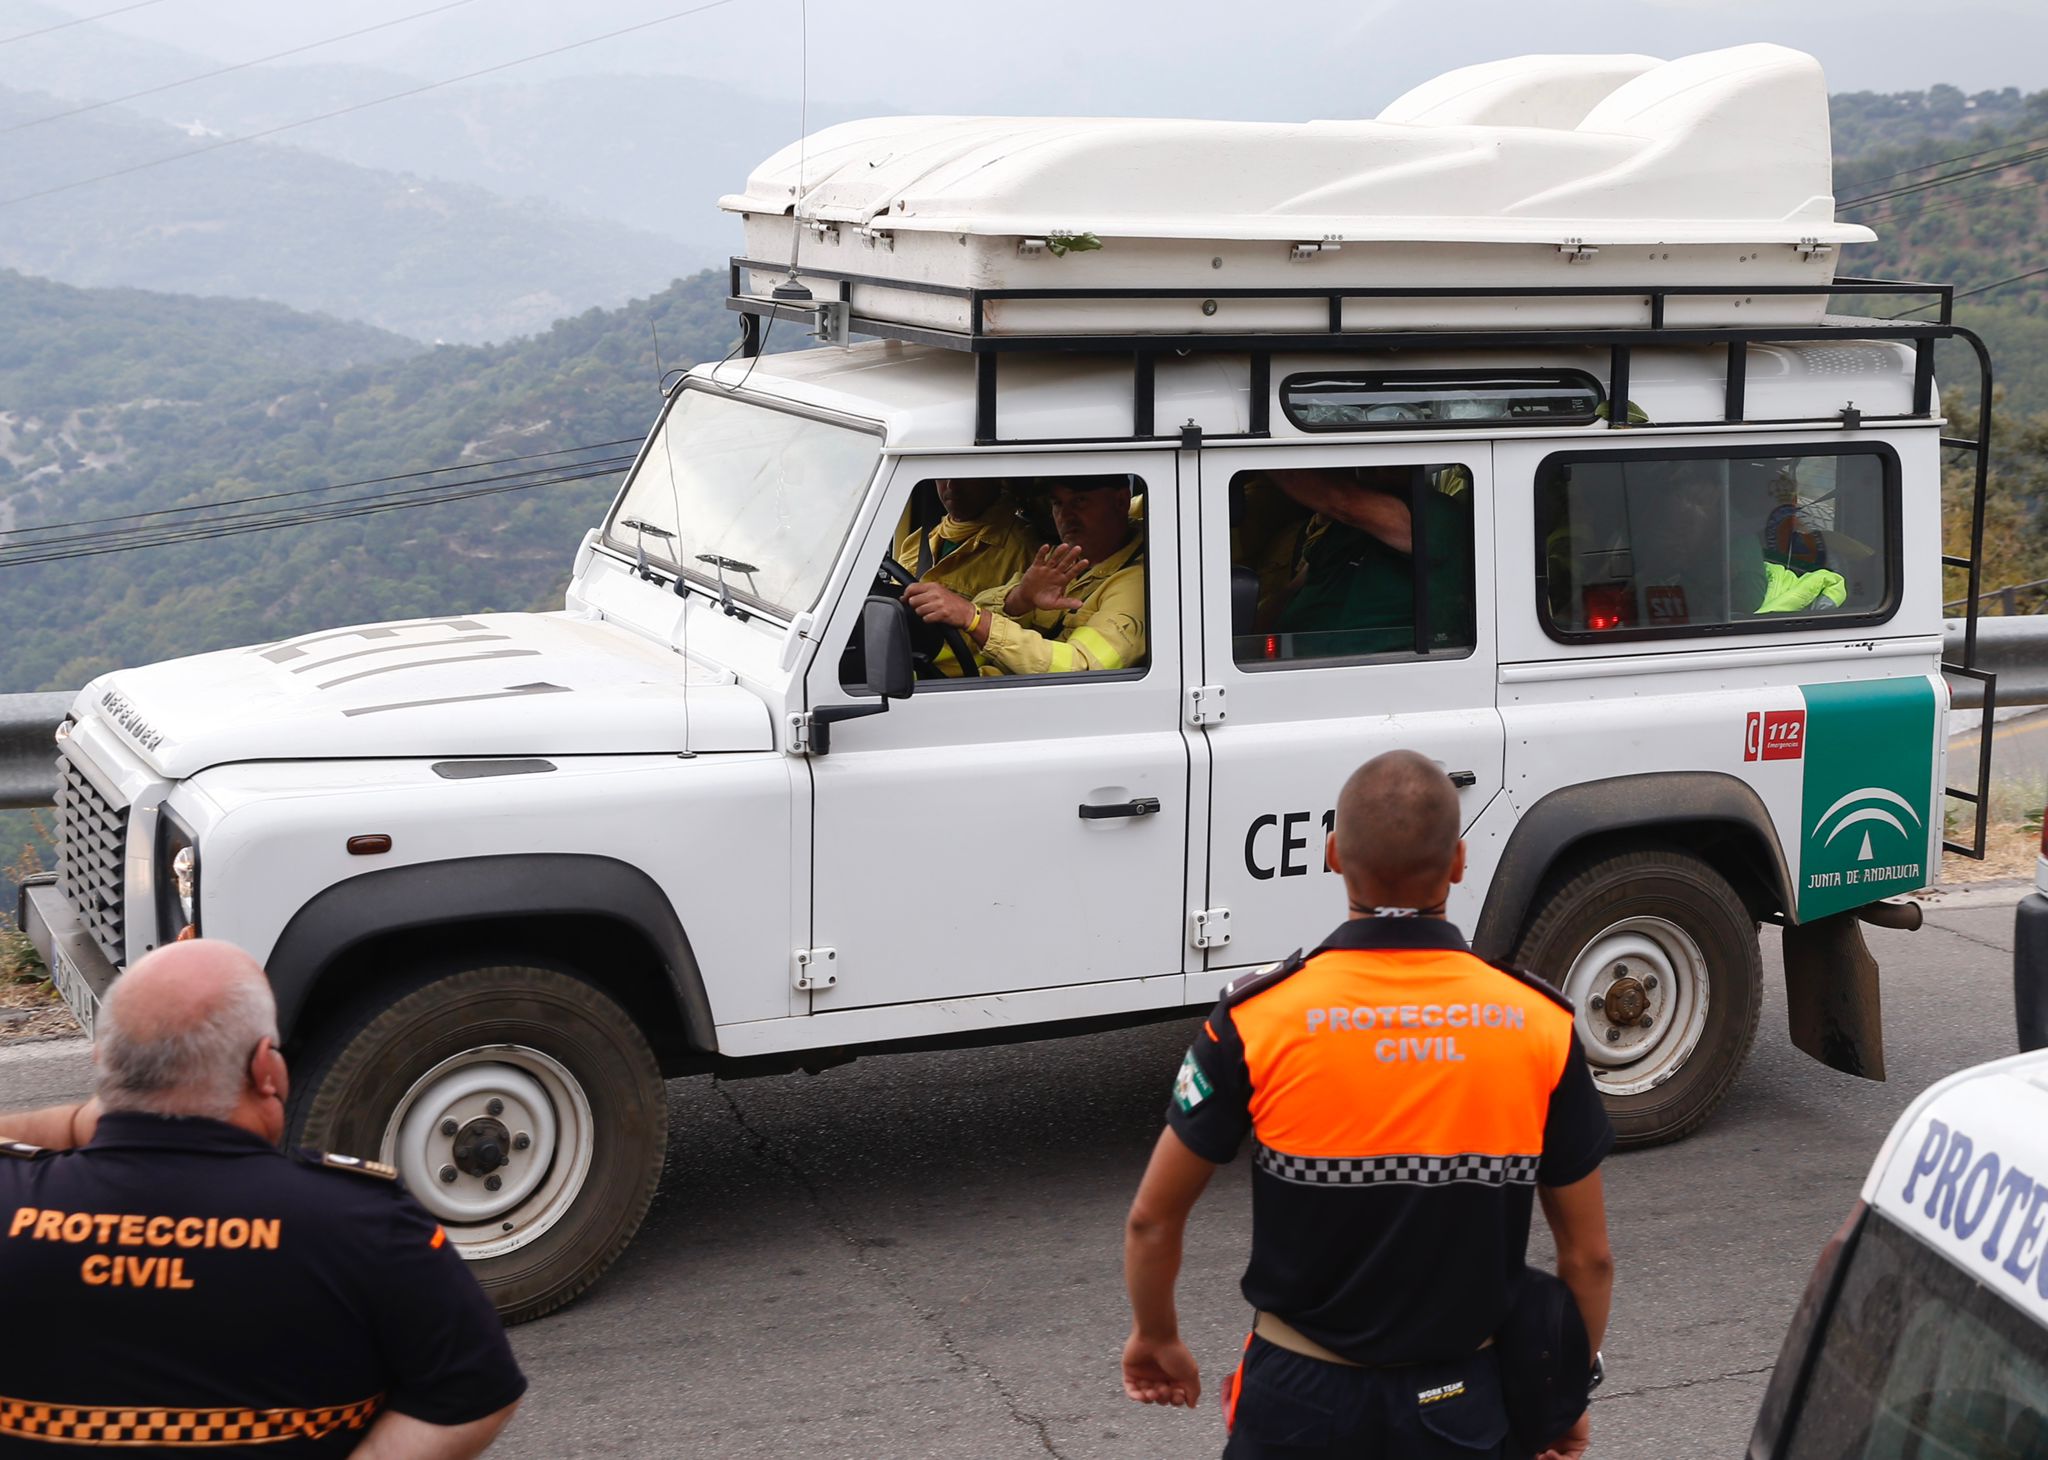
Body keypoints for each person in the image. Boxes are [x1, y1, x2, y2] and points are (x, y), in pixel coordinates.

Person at [1120, 750, 1615, 1459]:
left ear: (1332, 855)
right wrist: (1562, 1399)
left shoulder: (1258, 1020)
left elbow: (1151, 1220)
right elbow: (1588, 1258)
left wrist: (1157, 1337)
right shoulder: (1538, 1024)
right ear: (1458, 863)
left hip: (1295, 1398)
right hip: (1461, 1403)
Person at [0, 941, 525, 1458]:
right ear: (265, 1071)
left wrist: (74, 1123)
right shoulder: (364, 1224)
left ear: (103, 1064)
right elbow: (475, 1393)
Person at [904, 474, 1146, 675]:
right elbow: (973, 632)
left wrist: (975, 619)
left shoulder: (1137, 583)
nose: (1065, 515)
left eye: (1080, 501)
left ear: (1121, 501)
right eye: (1057, 503)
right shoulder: (1056, 559)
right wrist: (1018, 600)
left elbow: (1080, 668)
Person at [1263, 466, 1472, 655]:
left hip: (1373, 666)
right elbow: (1293, 589)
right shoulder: (1347, 527)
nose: (1370, 469)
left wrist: (1264, 458)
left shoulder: (1438, 513)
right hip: (1293, 660)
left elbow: (1342, 502)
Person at [892, 477, 1039, 603]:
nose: (951, 485)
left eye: (964, 476)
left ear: (995, 479)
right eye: (942, 475)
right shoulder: (917, 540)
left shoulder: (1026, 551)